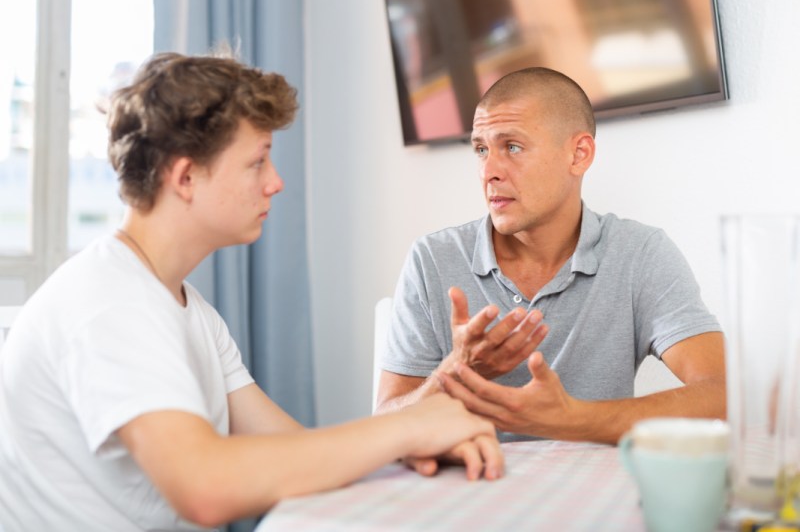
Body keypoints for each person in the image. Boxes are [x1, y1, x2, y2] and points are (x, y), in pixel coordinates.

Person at [0, 52, 503, 531]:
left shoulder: (184, 308)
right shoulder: (109, 304)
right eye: (258, 161)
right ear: (186, 176)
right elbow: (205, 487)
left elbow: (291, 450)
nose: (276, 182)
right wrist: (409, 429)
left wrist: (414, 433)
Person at [375, 67, 725, 445]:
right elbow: (385, 422)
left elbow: (723, 393)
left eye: (512, 146)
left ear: (579, 154)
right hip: (470, 490)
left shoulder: (639, 253)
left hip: (592, 495)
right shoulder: (433, 259)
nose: (488, 172)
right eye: (481, 149)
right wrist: (458, 370)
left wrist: (572, 420)